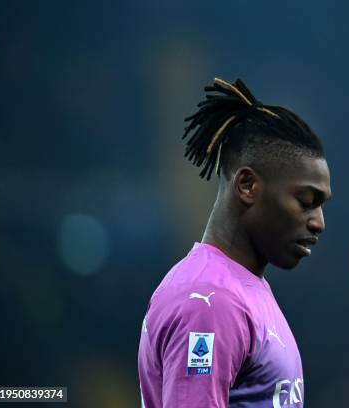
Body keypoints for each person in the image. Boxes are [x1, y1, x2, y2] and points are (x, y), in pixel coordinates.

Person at [138, 77, 331, 407]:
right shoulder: (209, 302)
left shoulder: (240, 291)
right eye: (305, 200)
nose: (319, 222)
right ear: (247, 186)